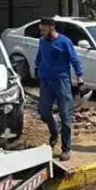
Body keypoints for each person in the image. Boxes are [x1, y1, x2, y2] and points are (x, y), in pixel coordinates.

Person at [35, 17, 83, 161]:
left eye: (43, 30)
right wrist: (38, 69)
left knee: (65, 115)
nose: (42, 33)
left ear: (51, 28)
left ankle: (66, 148)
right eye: (41, 30)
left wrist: (80, 78)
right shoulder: (42, 41)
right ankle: (54, 131)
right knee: (43, 111)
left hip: (61, 81)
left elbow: (74, 59)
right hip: (46, 81)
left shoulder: (64, 42)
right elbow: (39, 57)